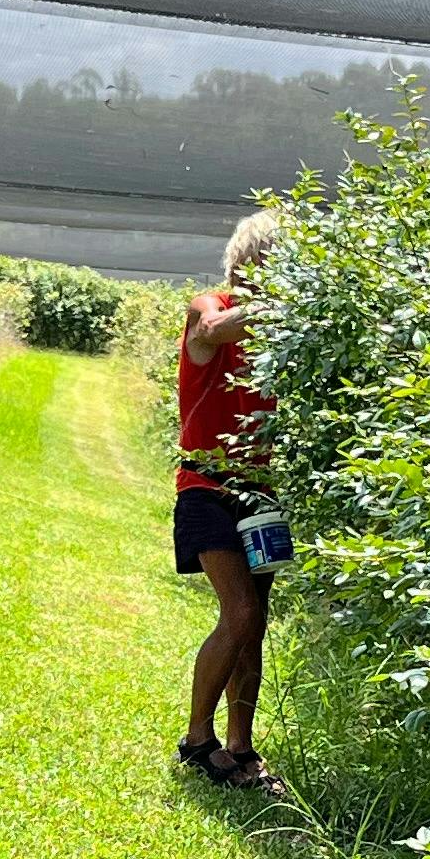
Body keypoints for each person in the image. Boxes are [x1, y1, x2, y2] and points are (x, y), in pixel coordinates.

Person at [172, 210, 289, 789]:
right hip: (205, 486)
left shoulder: (281, 340)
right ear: (250, 261)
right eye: (280, 262)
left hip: (260, 494)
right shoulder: (209, 305)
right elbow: (213, 331)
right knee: (238, 611)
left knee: (256, 623)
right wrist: (291, 304)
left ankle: (241, 748)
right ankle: (197, 740)